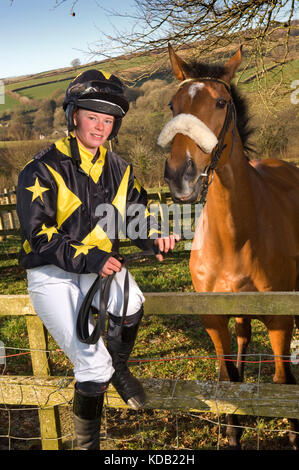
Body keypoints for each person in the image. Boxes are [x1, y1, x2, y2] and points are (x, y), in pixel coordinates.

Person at [16, 69, 177, 450]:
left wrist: (155, 239)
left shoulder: (121, 169)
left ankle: (118, 369)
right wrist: (92, 260)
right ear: (74, 116)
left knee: (132, 301)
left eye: (108, 120)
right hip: (51, 274)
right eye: (93, 117)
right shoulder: (40, 169)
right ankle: (89, 444)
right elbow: (39, 236)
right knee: (92, 365)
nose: (100, 127)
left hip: (96, 267)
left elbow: (135, 218)